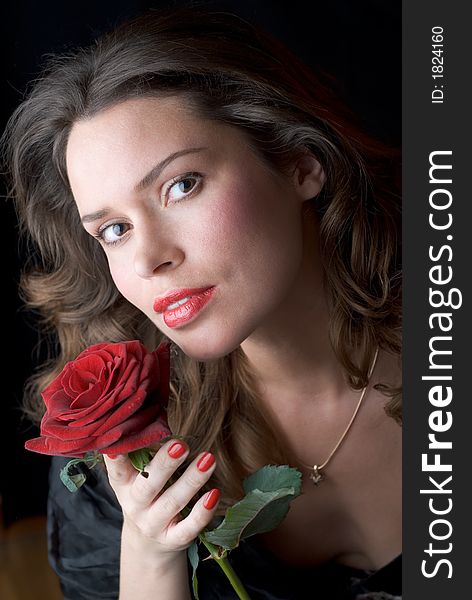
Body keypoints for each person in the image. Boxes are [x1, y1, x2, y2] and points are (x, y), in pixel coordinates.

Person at [2, 5, 402, 599]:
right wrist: (149, 554)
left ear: (299, 163)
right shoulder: (116, 447)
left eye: (180, 185)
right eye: (113, 229)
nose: (147, 259)